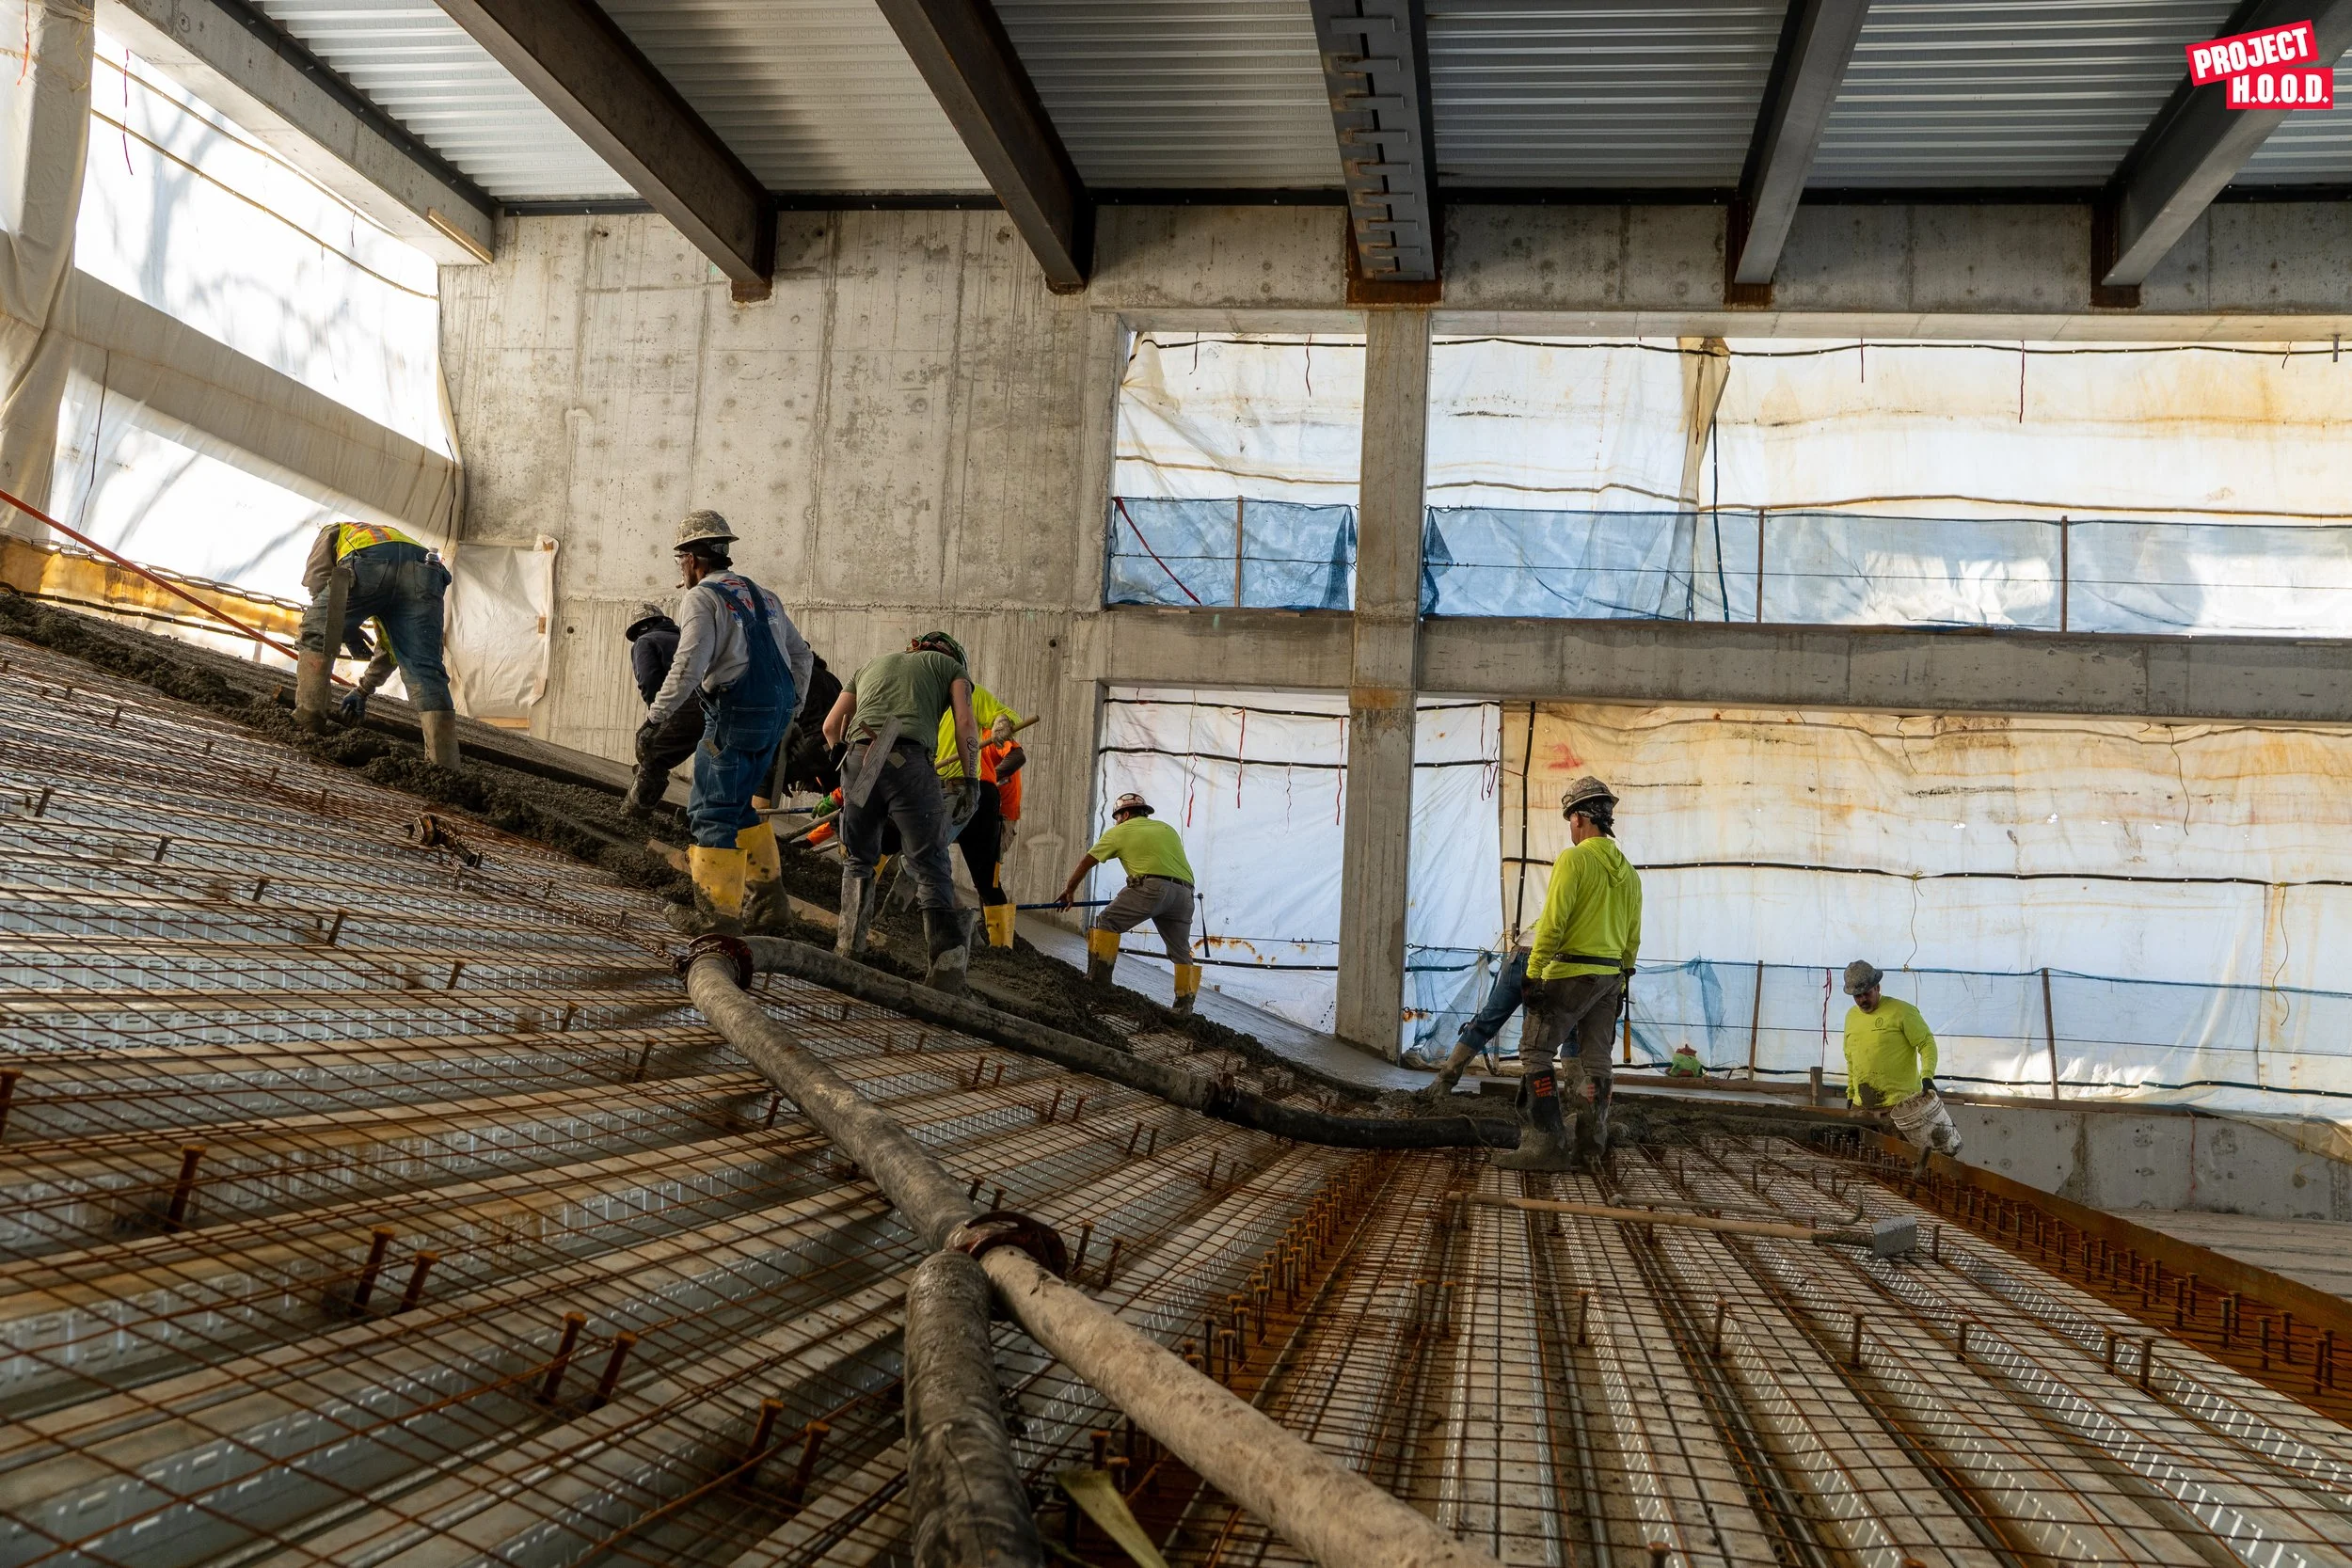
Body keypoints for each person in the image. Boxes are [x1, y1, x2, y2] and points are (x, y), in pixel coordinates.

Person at [640, 512, 813, 936]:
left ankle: (716, 919)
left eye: (680, 559)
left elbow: (689, 664)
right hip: (773, 716)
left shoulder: (701, 598)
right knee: (738, 809)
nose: (682, 570)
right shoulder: (766, 597)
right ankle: (771, 909)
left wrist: (655, 717)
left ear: (693, 559)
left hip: (735, 716)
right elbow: (802, 656)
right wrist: (791, 712)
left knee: (711, 813)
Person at [821, 630, 981, 991]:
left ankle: (847, 950)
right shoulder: (950, 667)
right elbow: (965, 723)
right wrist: (971, 779)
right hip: (906, 761)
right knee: (930, 863)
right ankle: (946, 976)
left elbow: (830, 727)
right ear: (950, 654)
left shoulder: (870, 665)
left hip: (859, 759)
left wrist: (838, 753)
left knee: (858, 860)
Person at [1497, 775, 1642, 1172]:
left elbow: (1554, 923)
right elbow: (1632, 939)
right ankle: (1591, 1147)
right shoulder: (1629, 873)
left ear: (1579, 819)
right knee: (1598, 1062)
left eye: (1570, 821)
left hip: (1571, 972)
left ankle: (1544, 1145)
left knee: (1535, 1052)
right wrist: (1621, 981)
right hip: (1610, 977)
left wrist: (1535, 972)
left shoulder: (1574, 859)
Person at [293, 520, 459, 766]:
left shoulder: (334, 530)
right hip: (427, 571)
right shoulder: (393, 536)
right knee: (425, 668)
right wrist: (363, 691)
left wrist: (342, 626)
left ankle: (308, 725)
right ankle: (444, 766)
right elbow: (392, 647)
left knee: (317, 632)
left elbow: (317, 580)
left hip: (369, 563)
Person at [1054, 792, 1201, 1017]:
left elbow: (1087, 861)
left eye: (1117, 817)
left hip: (1152, 888)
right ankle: (1184, 1007)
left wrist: (1070, 890)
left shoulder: (1119, 832)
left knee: (1107, 921)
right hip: (1185, 894)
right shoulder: (1167, 829)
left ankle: (1098, 981)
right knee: (1181, 950)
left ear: (1124, 814)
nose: (1116, 822)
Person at [1841, 960, 1963, 1158]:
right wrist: (1851, 1092)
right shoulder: (1851, 1017)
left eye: (1867, 993)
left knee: (1903, 1163)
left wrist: (1927, 1076)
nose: (1862, 1000)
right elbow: (1851, 1058)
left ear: (1878, 987)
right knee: (1863, 1163)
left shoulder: (1902, 1011)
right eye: (1857, 996)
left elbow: (1926, 1043)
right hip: (1862, 1107)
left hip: (1899, 1109)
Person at [936, 688, 1020, 949]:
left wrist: (992, 772)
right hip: (948, 791)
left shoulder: (990, 736)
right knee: (925, 850)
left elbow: (1017, 755)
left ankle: (1000, 943)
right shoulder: (942, 732)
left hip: (987, 803)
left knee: (986, 877)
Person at [1413, 936, 1530, 1094]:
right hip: (1543, 963)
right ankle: (1543, 1099)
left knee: (1482, 1025)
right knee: (1536, 1040)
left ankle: (1442, 1083)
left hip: (1518, 956)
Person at [624, 599, 703, 816]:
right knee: (711, 764)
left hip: (686, 706)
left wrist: (658, 717)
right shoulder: (686, 639)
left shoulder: (645, 641)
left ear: (640, 628)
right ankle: (701, 819)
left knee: (650, 749)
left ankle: (634, 815)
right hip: (715, 706)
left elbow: (649, 680)